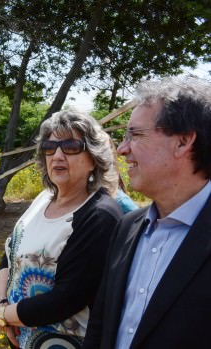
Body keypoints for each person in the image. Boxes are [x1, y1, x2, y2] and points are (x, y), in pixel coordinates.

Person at [83, 75, 211, 349]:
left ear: (183, 141)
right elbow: (101, 324)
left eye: (136, 135)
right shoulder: (128, 226)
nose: (121, 149)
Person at [0, 109, 123, 348]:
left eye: (70, 147)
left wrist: (2, 315)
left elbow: (67, 298)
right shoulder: (43, 199)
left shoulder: (99, 215)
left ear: (93, 158)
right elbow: (10, 253)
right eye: (50, 147)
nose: (57, 155)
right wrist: (2, 304)